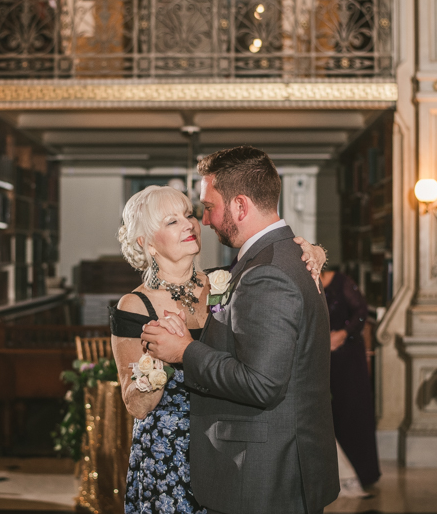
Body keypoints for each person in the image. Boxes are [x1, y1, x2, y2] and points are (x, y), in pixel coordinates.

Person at [142, 146, 339, 514]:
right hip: (281, 464)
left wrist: (184, 351)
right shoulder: (288, 255)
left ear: (240, 206)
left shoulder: (268, 271)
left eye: (209, 207)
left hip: (265, 475)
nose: (203, 220)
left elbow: (262, 383)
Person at [321, 270, 380, 494]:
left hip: (349, 357)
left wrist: (342, 334)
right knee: (332, 413)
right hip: (324, 359)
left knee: (353, 410)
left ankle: (364, 472)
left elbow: (361, 311)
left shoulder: (341, 282)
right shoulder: (307, 284)